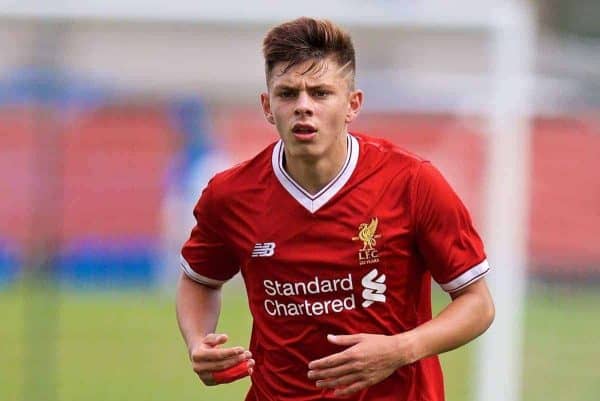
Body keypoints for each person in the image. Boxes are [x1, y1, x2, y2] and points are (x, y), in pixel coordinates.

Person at [176, 17, 495, 401]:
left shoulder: (412, 183)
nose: (303, 107)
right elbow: (199, 279)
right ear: (267, 105)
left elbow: (477, 304)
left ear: (352, 104)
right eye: (288, 93)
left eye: (321, 93)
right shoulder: (230, 195)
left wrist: (400, 350)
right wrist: (198, 342)